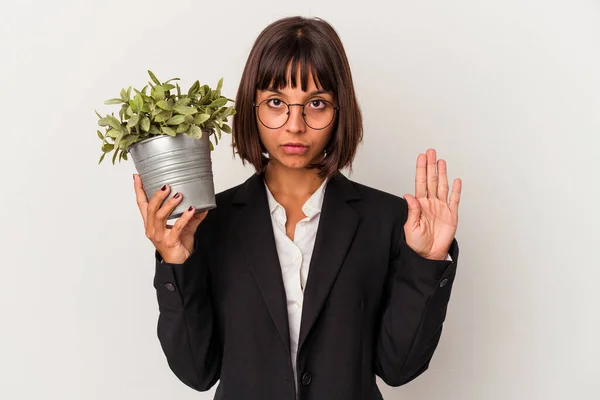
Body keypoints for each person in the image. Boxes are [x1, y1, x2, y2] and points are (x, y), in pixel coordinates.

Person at [133, 16, 461, 400]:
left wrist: (427, 260)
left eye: (316, 104)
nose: (294, 125)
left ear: (340, 111)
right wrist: (175, 262)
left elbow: (398, 368)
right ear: (251, 107)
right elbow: (197, 371)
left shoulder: (389, 221)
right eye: (276, 103)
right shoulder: (207, 223)